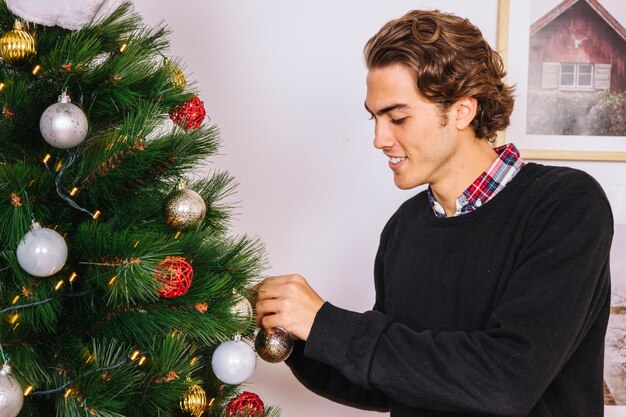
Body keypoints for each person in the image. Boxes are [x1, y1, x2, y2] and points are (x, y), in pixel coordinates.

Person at [255, 9, 614, 417]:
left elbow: (506, 382)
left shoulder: (565, 205)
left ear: (462, 111)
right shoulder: (403, 228)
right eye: (374, 118)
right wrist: (288, 333)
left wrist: (325, 323)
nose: (379, 138)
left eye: (399, 117)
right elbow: (391, 379)